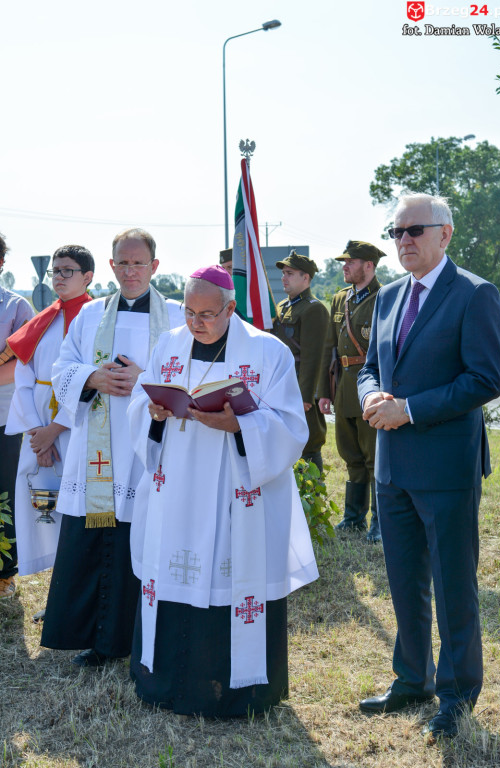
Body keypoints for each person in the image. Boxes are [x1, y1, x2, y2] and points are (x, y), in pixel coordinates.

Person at [127, 265, 318, 716]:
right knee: (175, 571)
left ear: (231, 309)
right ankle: (166, 682)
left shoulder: (268, 351)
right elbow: (139, 401)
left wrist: (240, 425)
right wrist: (153, 412)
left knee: (231, 578)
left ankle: (238, 692)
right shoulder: (168, 344)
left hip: (235, 488)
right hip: (175, 485)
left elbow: (292, 427)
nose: (196, 323)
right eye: (189, 312)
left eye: (208, 314)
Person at [357, 193, 500, 739]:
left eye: (414, 230)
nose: (404, 241)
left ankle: (457, 696)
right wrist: (373, 395)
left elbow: (485, 378)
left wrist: (409, 409)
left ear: (445, 233)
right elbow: (370, 367)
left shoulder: (474, 293)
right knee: (404, 582)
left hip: (445, 470)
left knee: (453, 587)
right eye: (396, 232)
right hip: (392, 468)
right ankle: (411, 680)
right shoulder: (389, 296)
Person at [41, 228, 183, 667]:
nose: (130, 271)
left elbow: (190, 377)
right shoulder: (90, 315)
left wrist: (145, 379)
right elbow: (62, 367)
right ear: (111, 265)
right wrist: (92, 377)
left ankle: (146, 641)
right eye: (123, 263)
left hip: (150, 450)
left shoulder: (178, 316)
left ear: (154, 266)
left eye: (139, 263)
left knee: (144, 543)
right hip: (98, 453)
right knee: (98, 542)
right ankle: (100, 642)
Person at [5, 246, 94, 584]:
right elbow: (23, 379)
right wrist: (37, 434)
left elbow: (94, 382)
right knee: (42, 505)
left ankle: (78, 586)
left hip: (78, 426)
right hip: (39, 427)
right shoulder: (43, 319)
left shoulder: (96, 320)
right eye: (55, 270)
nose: (58, 276)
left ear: (87, 277)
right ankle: (56, 589)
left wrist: (54, 430)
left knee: (76, 505)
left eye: (67, 270)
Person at [318, 241, 385, 542]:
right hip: (344, 388)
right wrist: (324, 392)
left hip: (372, 389)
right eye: (344, 261)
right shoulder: (339, 299)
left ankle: (380, 523)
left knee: (375, 459)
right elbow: (328, 348)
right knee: (351, 456)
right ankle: (354, 517)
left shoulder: (385, 297)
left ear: (369, 265)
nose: (344, 266)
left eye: (351, 261)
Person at [273, 251, 329, 471]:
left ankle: (312, 488)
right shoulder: (282, 306)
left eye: (289, 273)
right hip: (281, 383)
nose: (283, 278)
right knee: (284, 440)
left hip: (300, 386)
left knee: (308, 442)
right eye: (283, 273)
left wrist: (306, 396)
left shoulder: (313, 308)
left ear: (305, 278)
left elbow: (313, 357)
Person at [0, 234, 34, 598]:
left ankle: (4, 573)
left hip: (4, 417)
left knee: (3, 494)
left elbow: (24, 361)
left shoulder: (16, 307)